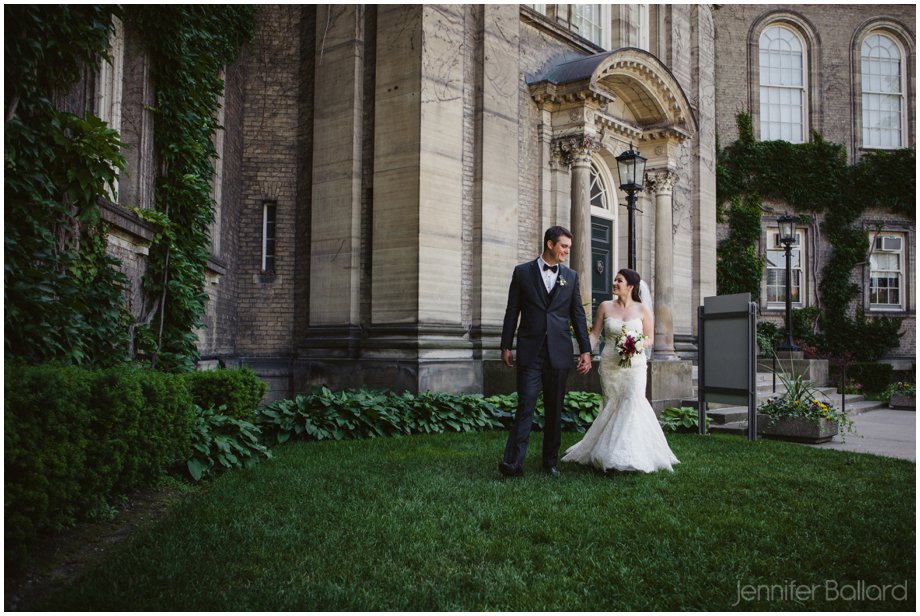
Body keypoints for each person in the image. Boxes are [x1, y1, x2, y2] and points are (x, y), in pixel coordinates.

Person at [561, 268, 679, 473]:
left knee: (633, 402)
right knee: (612, 405)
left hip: (635, 364)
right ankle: (605, 450)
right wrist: (585, 352)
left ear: (631, 286)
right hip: (610, 365)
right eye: (614, 279)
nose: (614, 283)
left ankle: (630, 454)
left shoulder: (643, 310)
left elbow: (650, 337)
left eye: (619, 280)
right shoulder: (606, 307)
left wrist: (636, 344)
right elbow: (595, 335)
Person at [498, 226, 592, 478]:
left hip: (559, 352)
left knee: (554, 408)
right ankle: (513, 462)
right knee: (525, 406)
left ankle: (550, 462)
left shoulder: (570, 277)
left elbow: (578, 315)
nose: (566, 252)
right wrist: (506, 344)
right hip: (530, 351)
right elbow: (512, 310)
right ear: (550, 244)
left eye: (569, 248)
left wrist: (585, 350)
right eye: (564, 246)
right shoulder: (522, 273)